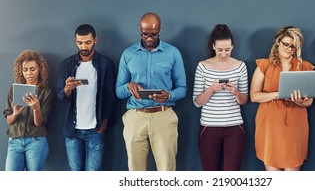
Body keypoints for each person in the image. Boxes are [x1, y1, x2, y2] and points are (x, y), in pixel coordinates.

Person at [116, 12, 187, 171]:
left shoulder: (173, 53)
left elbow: (182, 88)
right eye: (145, 34)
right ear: (139, 29)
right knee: (136, 171)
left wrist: (169, 95)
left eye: (153, 34)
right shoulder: (128, 54)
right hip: (135, 117)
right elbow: (118, 92)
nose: (149, 38)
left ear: (160, 30)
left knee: (166, 170)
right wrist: (128, 86)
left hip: (163, 116)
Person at [250, 26, 314, 171]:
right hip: (269, 126)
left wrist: (298, 100)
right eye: (285, 44)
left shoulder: (304, 67)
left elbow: (310, 101)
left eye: (293, 47)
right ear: (278, 42)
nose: (288, 49)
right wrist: (278, 94)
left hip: (295, 127)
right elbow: (254, 96)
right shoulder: (264, 65)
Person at [57, 24, 116, 171]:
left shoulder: (106, 64)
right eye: (80, 42)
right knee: (75, 172)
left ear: (95, 40)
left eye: (88, 42)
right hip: (73, 130)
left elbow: (110, 97)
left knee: (93, 174)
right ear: (75, 41)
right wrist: (67, 89)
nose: (83, 46)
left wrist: (104, 124)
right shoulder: (67, 64)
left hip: (96, 129)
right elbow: (61, 96)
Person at [193, 24, 248, 171]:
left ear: (233, 47)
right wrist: (211, 89)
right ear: (213, 46)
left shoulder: (240, 66)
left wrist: (236, 92)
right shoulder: (202, 66)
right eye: (219, 50)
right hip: (209, 127)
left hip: (235, 127)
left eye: (227, 50)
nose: (223, 54)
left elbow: (244, 100)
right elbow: (197, 102)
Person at [3, 50, 54, 171]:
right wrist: (16, 113)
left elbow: (39, 124)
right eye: (25, 70)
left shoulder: (46, 92)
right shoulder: (14, 89)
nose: (28, 73)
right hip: (15, 142)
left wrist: (36, 109)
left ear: (40, 69)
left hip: (36, 142)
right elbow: (9, 121)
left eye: (32, 69)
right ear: (21, 71)